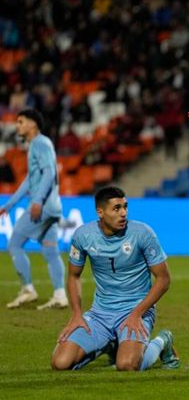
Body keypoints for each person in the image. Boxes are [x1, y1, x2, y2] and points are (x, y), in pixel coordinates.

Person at [50, 186, 179, 371]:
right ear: (100, 212)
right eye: (117, 208)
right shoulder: (83, 236)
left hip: (136, 311)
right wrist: (77, 314)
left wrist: (136, 314)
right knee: (60, 363)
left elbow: (163, 279)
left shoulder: (142, 233)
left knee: (127, 365)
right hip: (100, 314)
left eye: (125, 207)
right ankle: (110, 343)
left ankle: (161, 342)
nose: (123, 213)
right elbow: (73, 275)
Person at [1, 108, 67, 310]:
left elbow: (49, 173)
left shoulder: (40, 143)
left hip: (43, 206)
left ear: (32, 124)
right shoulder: (38, 146)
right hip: (53, 207)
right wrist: (10, 204)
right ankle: (60, 295)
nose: (17, 125)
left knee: (15, 244)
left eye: (21, 121)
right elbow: (30, 180)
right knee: (51, 251)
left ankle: (28, 290)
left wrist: (37, 201)